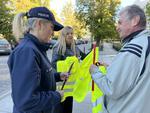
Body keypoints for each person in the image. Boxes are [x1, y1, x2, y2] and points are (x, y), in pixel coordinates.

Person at [8, 7, 69, 113]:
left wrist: (57, 76)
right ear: (39, 24)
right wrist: (57, 96)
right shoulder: (26, 52)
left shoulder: (36, 48)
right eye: (51, 27)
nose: (52, 33)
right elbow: (27, 102)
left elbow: (37, 78)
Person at [89, 5, 150, 113]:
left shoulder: (134, 48)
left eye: (120, 22)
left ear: (135, 21)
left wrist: (95, 72)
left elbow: (112, 88)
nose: (117, 27)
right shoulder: (145, 42)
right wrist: (112, 69)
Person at [51, 26, 86, 113]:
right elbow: (54, 64)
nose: (70, 35)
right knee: (59, 109)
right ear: (63, 36)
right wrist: (68, 63)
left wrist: (94, 51)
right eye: (68, 34)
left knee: (68, 109)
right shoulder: (58, 47)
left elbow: (85, 57)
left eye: (71, 33)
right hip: (61, 85)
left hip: (70, 85)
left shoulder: (74, 47)